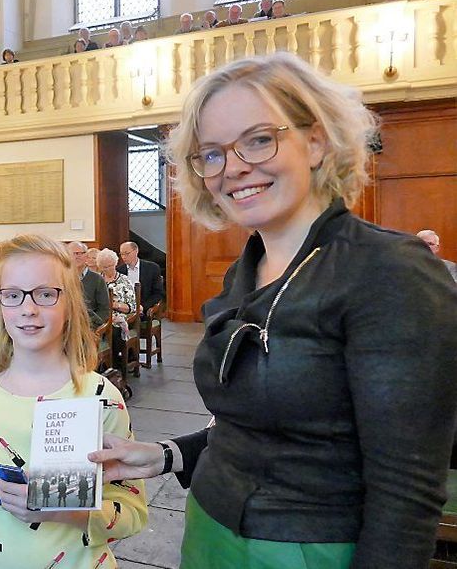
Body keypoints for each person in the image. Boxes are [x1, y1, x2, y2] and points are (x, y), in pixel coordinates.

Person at [89, 52, 457, 568]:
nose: (233, 167)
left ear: (316, 140)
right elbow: (263, 424)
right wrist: (168, 454)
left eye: (259, 139)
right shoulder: (246, 268)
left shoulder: (388, 270)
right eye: (211, 153)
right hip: (208, 529)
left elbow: (408, 488)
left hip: (312, 547)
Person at [0, 234, 147, 568]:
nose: (28, 309)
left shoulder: (99, 397)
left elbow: (132, 511)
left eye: (45, 294)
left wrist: (63, 508)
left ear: (69, 302)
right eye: (13, 295)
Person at [117, 242, 163, 325]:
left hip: (144, 309)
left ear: (136, 251)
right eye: (121, 254)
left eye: (127, 253)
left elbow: (158, 294)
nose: (123, 257)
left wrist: (143, 307)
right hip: (125, 310)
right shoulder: (119, 270)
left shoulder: (152, 268)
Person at [67, 242, 110, 328]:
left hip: (89, 326)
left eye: (80, 253)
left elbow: (104, 309)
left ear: (86, 256)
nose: (77, 256)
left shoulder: (97, 279)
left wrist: (91, 324)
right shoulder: (61, 278)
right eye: (73, 253)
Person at [96, 249, 135, 340]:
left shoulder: (124, 280)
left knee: (113, 332)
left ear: (115, 264)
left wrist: (115, 305)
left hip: (118, 317)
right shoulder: (96, 280)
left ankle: (115, 354)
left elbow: (132, 306)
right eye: (104, 267)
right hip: (99, 316)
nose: (108, 269)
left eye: (110, 266)